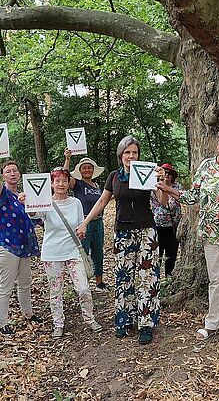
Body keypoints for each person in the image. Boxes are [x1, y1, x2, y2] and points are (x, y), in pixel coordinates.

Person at [157, 126, 219, 344]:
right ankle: (212, 324)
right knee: (215, 280)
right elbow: (192, 196)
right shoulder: (205, 167)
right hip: (211, 234)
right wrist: (168, 190)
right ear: (217, 144)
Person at [78, 136, 163, 345]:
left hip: (146, 231)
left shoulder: (146, 172)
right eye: (127, 152)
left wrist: (161, 182)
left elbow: (161, 201)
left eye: (134, 152)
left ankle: (146, 325)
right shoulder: (114, 177)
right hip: (123, 232)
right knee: (123, 278)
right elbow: (102, 201)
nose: (131, 156)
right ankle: (124, 321)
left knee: (146, 278)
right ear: (120, 155)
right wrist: (85, 222)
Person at [22, 167, 103, 339]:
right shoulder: (46, 203)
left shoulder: (76, 203)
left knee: (83, 289)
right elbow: (34, 214)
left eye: (64, 181)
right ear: (51, 183)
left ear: (68, 183)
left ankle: (90, 319)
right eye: (57, 181)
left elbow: (81, 224)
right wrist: (26, 203)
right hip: (52, 254)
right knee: (55, 291)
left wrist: (82, 230)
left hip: (73, 251)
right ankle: (58, 324)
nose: (60, 184)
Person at [0, 150, 42, 335]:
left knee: (25, 282)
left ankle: (28, 313)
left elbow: (37, 216)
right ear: (3, 175)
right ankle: (2, 322)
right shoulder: (2, 193)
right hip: (7, 244)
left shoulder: (25, 196)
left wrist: (28, 203)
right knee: (6, 285)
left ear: (20, 173)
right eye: (8, 171)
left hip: (24, 245)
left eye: (15, 170)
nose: (12, 174)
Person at [63, 149, 106, 291]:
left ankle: (99, 282)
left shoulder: (97, 186)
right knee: (83, 253)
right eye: (84, 168)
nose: (87, 170)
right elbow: (65, 177)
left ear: (93, 170)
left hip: (98, 222)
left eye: (89, 167)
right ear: (80, 171)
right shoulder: (78, 184)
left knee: (98, 253)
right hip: (84, 223)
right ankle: (83, 283)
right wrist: (68, 160)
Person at [150, 163, 182, 276]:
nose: (167, 175)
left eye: (169, 173)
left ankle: (169, 275)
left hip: (173, 225)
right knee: (157, 253)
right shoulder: (153, 187)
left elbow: (177, 202)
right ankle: (156, 278)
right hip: (157, 225)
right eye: (165, 173)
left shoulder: (177, 188)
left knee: (171, 254)